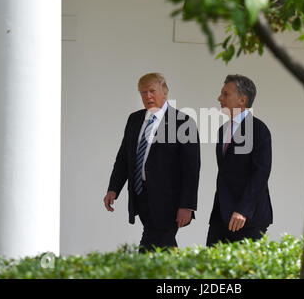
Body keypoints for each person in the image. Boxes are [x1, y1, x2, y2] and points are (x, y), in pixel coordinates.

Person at [104, 73, 200, 252]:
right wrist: (113, 188)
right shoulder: (134, 119)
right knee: (161, 246)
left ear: (164, 92)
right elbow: (124, 158)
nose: (147, 96)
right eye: (143, 92)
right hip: (141, 196)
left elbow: (191, 169)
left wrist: (187, 205)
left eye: (152, 91)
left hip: (169, 202)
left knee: (152, 244)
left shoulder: (183, 122)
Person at [206, 74, 273, 246]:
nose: (219, 98)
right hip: (220, 217)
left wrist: (243, 210)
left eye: (226, 94)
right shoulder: (222, 130)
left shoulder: (259, 130)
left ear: (242, 100)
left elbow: (261, 173)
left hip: (248, 218)